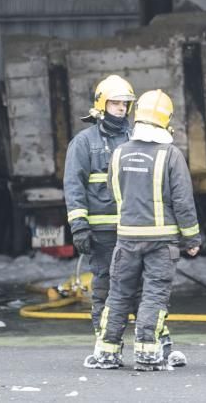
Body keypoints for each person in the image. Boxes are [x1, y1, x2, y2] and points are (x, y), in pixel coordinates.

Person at [92, 89, 201, 371]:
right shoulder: (171, 155)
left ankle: (106, 353)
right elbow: (183, 202)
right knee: (153, 295)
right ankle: (148, 354)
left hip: (126, 239)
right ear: (166, 119)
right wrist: (191, 238)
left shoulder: (119, 152)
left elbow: (115, 193)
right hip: (161, 242)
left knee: (118, 294)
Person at [64, 75, 136, 367]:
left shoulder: (137, 138)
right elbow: (73, 186)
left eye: (125, 104)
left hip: (135, 230)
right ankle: (105, 344)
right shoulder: (83, 143)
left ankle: (149, 345)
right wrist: (79, 225)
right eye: (115, 103)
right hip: (102, 231)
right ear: (101, 105)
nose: (120, 108)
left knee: (140, 288)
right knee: (105, 287)